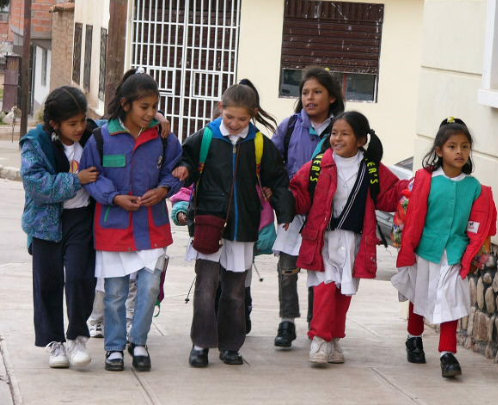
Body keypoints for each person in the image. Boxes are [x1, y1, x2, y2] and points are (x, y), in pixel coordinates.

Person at [172, 83, 294, 367]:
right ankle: (201, 344)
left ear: (251, 115)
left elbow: (277, 179)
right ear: (220, 108)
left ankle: (231, 346)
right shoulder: (205, 137)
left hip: (244, 224)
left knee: (236, 290)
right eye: (230, 117)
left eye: (242, 119)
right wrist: (184, 170)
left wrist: (284, 211)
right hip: (208, 222)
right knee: (205, 285)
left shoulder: (260, 143)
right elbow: (185, 161)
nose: (235, 124)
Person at [81, 68, 182, 372]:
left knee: (150, 288)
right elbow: (90, 177)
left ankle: (138, 342)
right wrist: (114, 197)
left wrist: (165, 188)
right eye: (145, 107)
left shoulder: (163, 139)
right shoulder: (100, 138)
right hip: (114, 227)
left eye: (155, 107)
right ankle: (114, 348)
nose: (151, 113)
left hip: (151, 226)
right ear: (126, 104)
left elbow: (177, 169)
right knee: (114, 294)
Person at [290, 111, 408, 366]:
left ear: (362, 140)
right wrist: (283, 196)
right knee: (324, 288)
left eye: (345, 134)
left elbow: (388, 197)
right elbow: (299, 196)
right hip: (323, 239)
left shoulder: (372, 169)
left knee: (344, 291)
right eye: (334, 133)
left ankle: (333, 338)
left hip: (354, 241)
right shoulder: (318, 166)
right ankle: (319, 338)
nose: (337, 139)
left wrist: (411, 186)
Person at [391, 117, 497, 378]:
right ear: (439, 151)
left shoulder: (474, 188)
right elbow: (410, 213)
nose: (459, 151)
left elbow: (478, 223)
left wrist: (476, 252)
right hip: (425, 250)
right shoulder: (425, 181)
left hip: (456, 254)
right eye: (452, 146)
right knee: (420, 296)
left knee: (451, 301)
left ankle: (447, 354)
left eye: (465, 146)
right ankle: (414, 338)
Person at [20, 86, 98, 368]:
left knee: (80, 277)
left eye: (83, 120)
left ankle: (77, 336)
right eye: (72, 123)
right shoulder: (35, 143)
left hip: (80, 219)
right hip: (45, 223)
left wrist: (159, 120)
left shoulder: (94, 136)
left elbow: (119, 123)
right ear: (55, 123)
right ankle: (55, 343)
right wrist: (77, 179)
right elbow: (36, 184)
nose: (80, 128)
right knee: (48, 283)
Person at [270, 67, 345, 348]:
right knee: (287, 267)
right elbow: (273, 164)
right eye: (305, 92)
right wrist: (277, 194)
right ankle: (287, 321)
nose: (310, 98)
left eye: (317, 92)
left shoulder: (341, 129)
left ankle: (318, 322)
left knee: (319, 268)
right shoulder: (289, 126)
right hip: (293, 210)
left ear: (332, 98)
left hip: (326, 212)